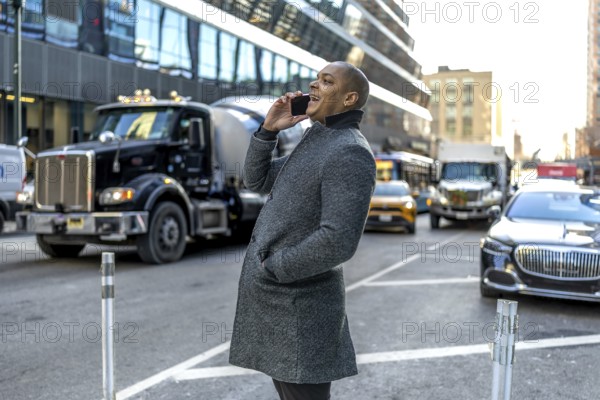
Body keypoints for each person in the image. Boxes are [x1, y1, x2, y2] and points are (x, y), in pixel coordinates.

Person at [229, 61, 376, 400]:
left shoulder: (349, 151)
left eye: (326, 82)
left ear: (349, 98)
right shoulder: (320, 138)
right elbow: (258, 180)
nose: (313, 85)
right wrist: (268, 131)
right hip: (284, 308)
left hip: (300, 313)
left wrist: (274, 268)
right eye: (316, 78)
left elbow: (337, 241)